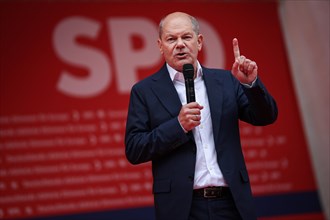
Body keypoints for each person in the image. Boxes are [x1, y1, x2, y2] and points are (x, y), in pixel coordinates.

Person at [125, 12, 277, 220]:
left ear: (199, 41)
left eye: (186, 37)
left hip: (231, 202)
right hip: (182, 208)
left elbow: (265, 116)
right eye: (171, 39)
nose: (180, 44)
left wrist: (249, 84)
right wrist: (178, 126)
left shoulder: (226, 80)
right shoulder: (144, 91)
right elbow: (134, 148)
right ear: (160, 46)